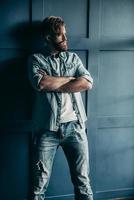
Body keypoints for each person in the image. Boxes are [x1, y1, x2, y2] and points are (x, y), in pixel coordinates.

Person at [28, 16, 94, 200]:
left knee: (83, 182)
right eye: (60, 35)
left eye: (65, 34)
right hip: (46, 130)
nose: (65, 39)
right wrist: (71, 79)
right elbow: (41, 84)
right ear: (48, 37)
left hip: (75, 127)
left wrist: (54, 82)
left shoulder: (73, 58)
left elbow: (87, 83)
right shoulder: (36, 59)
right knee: (38, 185)